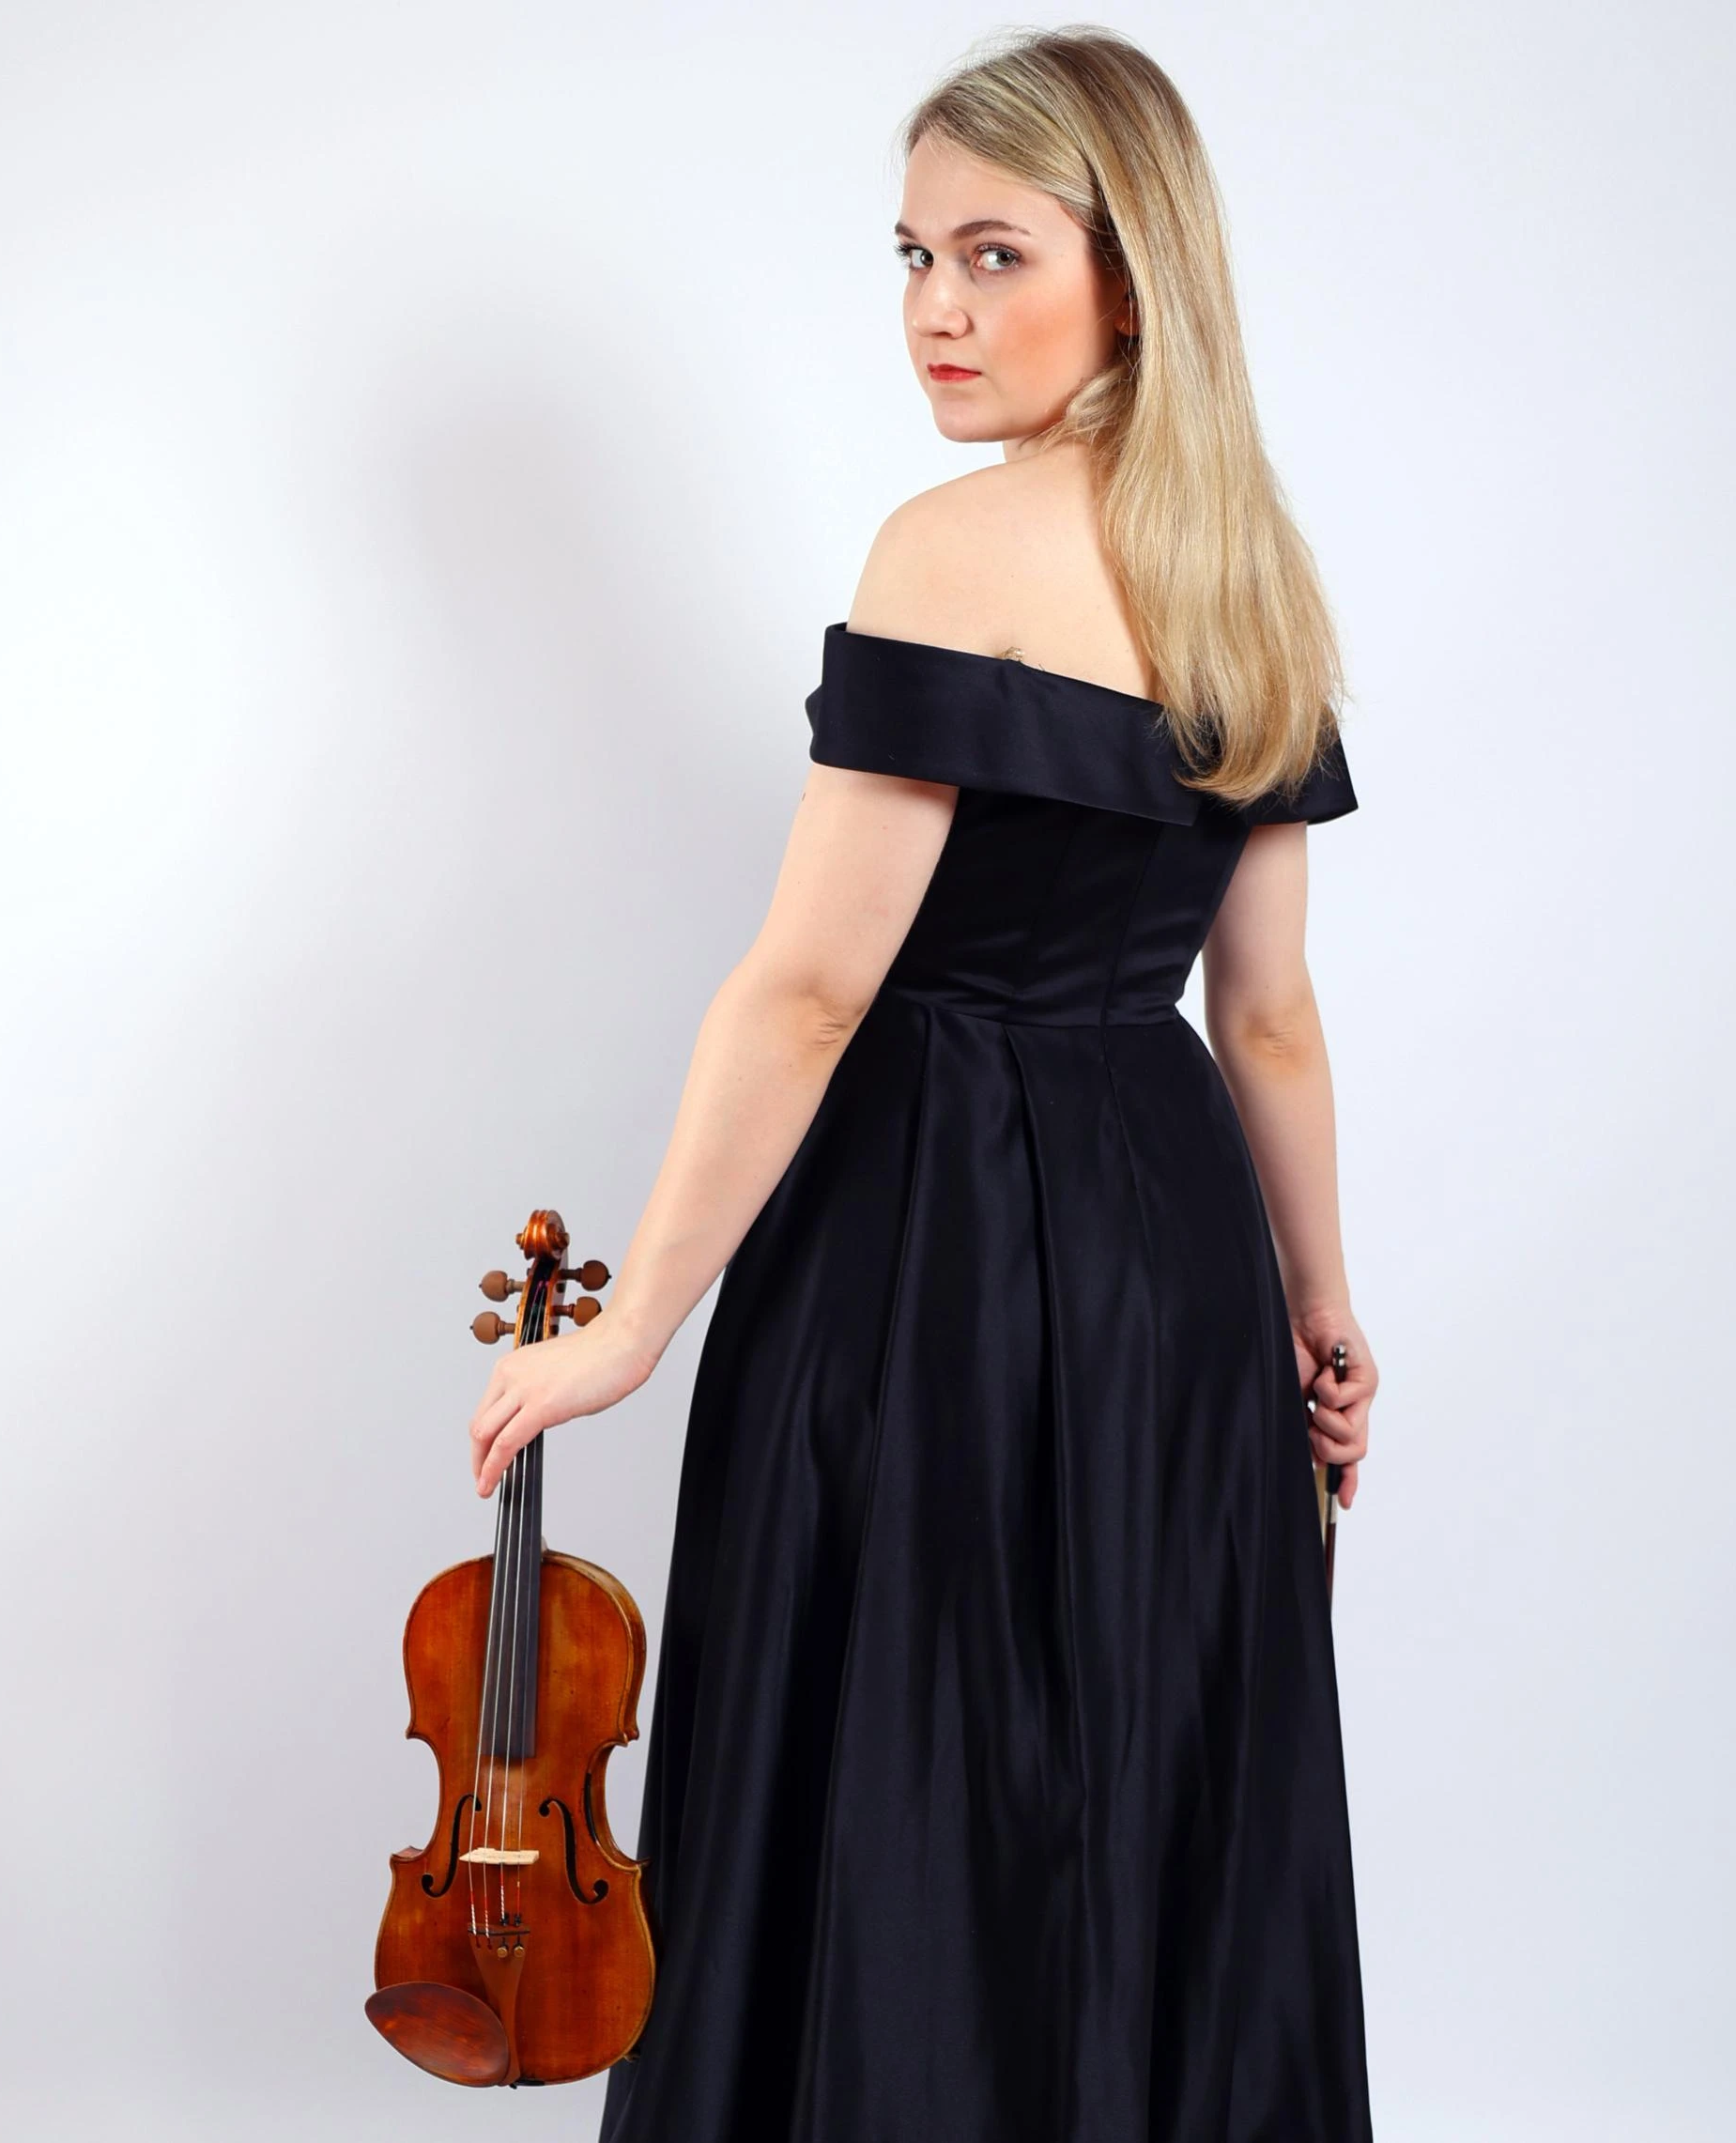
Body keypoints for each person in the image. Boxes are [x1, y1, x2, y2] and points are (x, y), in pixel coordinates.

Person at [467, 26, 1377, 2140]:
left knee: (901, 1761)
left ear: (1128, 277)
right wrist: (1318, 1311)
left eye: (992, 254)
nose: (935, 312)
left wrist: (628, 1328)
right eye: (911, 256)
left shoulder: (948, 549)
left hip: (929, 1236)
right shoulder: (1256, 576)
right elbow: (1264, 1014)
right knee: (1139, 1772)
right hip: (1176, 1271)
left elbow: (808, 994)